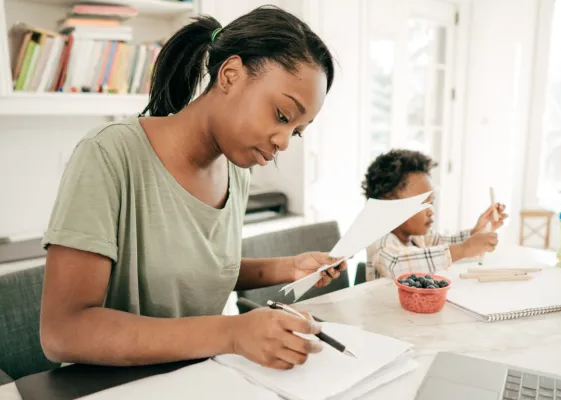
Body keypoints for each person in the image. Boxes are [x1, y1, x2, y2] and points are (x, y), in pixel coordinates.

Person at [39, 6, 345, 371]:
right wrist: (231, 333)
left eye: (296, 130)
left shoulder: (237, 172)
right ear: (230, 75)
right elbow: (63, 332)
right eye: (282, 115)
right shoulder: (109, 154)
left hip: (198, 377)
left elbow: (192, 270)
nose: (284, 142)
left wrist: (286, 267)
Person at [361, 149, 508, 280]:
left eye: (431, 202)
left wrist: (477, 232)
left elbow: (445, 243)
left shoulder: (418, 237)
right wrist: (464, 248)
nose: (431, 210)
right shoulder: (379, 241)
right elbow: (397, 264)